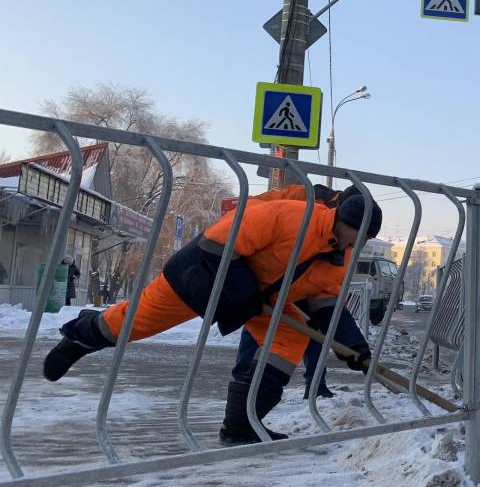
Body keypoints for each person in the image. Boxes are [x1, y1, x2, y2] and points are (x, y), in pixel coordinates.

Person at [42, 190, 383, 444]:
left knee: (290, 338)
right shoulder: (291, 216)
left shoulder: (339, 257)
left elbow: (326, 309)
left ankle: (241, 425)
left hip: (259, 301)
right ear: (343, 220)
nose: (361, 243)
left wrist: (355, 349)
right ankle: (81, 335)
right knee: (134, 323)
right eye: (361, 235)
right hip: (201, 277)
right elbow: (218, 244)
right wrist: (245, 294)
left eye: (367, 239)